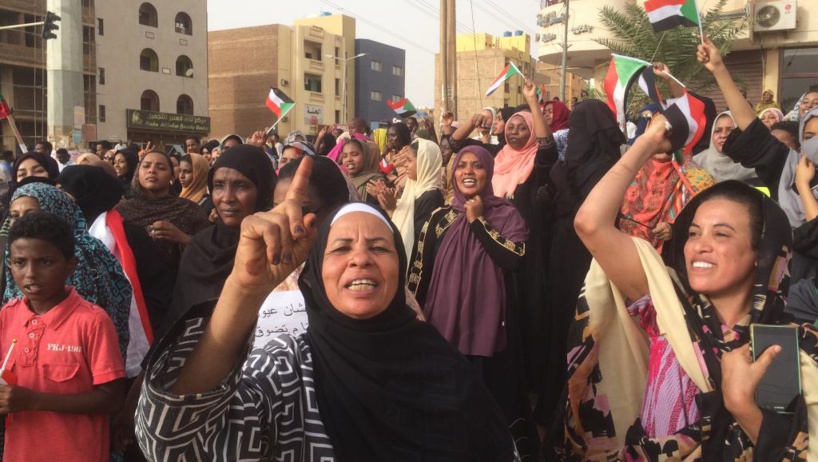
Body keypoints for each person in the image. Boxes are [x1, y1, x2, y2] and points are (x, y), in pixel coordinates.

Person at [135, 162, 519, 460]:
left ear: (399, 266)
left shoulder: (442, 364)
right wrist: (242, 290)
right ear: (317, 270)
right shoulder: (287, 368)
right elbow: (170, 443)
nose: (360, 260)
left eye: (380, 248)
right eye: (340, 248)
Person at [561, 111, 818, 460]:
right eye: (693, 232)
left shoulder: (782, 346)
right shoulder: (668, 303)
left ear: (763, 254)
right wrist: (648, 143)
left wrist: (743, 407)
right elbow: (591, 224)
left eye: (722, 234)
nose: (699, 245)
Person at [408, 145, 536, 456]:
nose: (468, 171)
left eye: (476, 165)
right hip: (442, 331)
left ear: (489, 172)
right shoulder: (438, 218)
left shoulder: (506, 215)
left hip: (491, 335)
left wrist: (478, 222)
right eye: (462, 165)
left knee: (490, 407)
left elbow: (514, 258)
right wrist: (411, 320)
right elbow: (418, 271)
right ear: (453, 174)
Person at [0, 212, 126, 462]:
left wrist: (35, 401)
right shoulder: (7, 315)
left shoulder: (91, 321)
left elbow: (112, 399)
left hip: (76, 452)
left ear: (71, 265)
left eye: (45, 262)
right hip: (20, 452)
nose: (30, 273)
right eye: (20, 262)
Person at [539, 99, 623, 428]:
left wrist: (559, 185)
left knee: (585, 327)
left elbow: (589, 211)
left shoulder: (608, 169)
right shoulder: (570, 166)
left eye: (579, 128)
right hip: (563, 254)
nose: (575, 135)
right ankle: (554, 403)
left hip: (590, 258)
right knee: (561, 324)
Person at [3, 182, 133, 363]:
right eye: (15, 216)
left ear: (56, 210)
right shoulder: (14, 251)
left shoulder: (74, 252)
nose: (22, 222)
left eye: (31, 214)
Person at [618, 117, 716, 252]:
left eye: (669, 134)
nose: (661, 140)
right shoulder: (629, 170)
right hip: (621, 253)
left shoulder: (698, 180)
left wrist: (674, 230)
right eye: (657, 133)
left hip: (665, 262)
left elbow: (705, 226)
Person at [115, 150, 211, 277]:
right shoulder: (121, 211)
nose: (152, 171)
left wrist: (183, 238)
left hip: (179, 285)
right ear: (137, 173)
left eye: (161, 167)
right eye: (146, 166)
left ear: (172, 177)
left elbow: (211, 249)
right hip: (132, 285)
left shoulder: (189, 209)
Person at [369, 138, 444, 262]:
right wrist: (387, 204)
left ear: (424, 162)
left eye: (409, 160)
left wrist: (392, 210)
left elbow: (418, 236)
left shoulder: (432, 197)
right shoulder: (413, 189)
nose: (405, 165)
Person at [692, 111, 759, 183]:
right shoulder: (698, 161)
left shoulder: (754, 163)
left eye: (730, 130)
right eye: (717, 131)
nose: (723, 135)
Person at [339, 138, 386, 205]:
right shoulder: (342, 182)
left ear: (365, 156)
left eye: (354, 154)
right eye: (345, 156)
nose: (349, 159)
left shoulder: (375, 183)